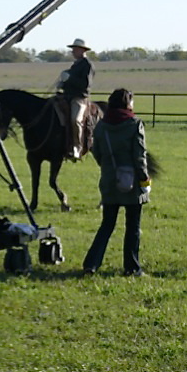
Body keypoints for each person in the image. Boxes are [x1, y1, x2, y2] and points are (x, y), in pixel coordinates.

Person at [83, 88, 151, 276]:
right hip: (131, 182)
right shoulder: (134, 124)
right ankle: (132, 267)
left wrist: (107, 169)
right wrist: (144, 177)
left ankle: (91, 263)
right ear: (128, 103)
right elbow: (139, 155)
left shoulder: (101, 126)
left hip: (109, 180)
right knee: (133, 227)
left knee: (107, 225)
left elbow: (96, 151)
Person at [57, 38, 95, 160]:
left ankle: (77, 148)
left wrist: (69, 79)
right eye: (72, 49)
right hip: (67, 96)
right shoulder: (75, 65)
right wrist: (62, 84)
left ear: (81, 50)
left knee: (75, 120)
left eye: (75, 49)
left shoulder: (87, 65)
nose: (73, 51)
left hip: (79, 98)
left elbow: (85, 84)